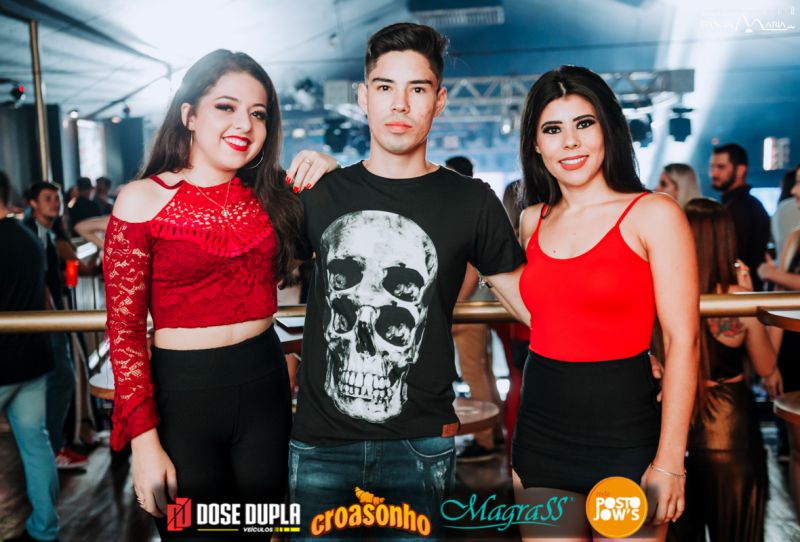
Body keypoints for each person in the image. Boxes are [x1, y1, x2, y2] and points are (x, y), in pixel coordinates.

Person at [291, 23, 527, 539]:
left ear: (438, 101)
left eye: (417, 89)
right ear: (363, 97)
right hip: (320, 446)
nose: (399, 104)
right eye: (385, 87)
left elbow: (532, 305)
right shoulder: (320, 193)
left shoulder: (471, 201)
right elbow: (241, 271)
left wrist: (624, 351)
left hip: (421, 445)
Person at [102, 49, 336, 538]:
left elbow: (348, 235)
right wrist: (144, 445)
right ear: (189, 115)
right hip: (182, 403)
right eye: (226, 107)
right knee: (190, 532)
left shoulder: (275, 197)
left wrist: (332, 174)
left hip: (266, 389)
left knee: (263, 531)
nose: (245, 124)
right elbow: (124, 333)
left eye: (258, 114)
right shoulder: (140, 199)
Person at [512, 65, 699, 540]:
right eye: (552, 129)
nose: (570, 142)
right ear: (536, 145)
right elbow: (552, 313)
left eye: (584, 123)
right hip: (541, 437)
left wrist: (670, 460)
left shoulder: (653, 214)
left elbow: (683, 341)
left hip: (626, 441)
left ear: (608, 129)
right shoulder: (532, 220)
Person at [669, 198, 775, 542]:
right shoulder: (736, 297)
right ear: (726, 239)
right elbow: (766, 366)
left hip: (676, 427)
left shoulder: (665, 291)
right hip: (732, 429)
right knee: (737, 532)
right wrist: (751, 297)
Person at [0, 172, 60, 542]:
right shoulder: (27, 237)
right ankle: (45, 529)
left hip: (3, 363)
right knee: (37, 446)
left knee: (36, 445)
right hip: (33, 360)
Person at [24, 181, 92, 470]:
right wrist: (51, 316)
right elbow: (38, 279)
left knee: (62, 379)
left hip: (53, 316)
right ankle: (54, 448)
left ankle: (62, 442)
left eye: (57, 198)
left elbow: (65, 268)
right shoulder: (32, 233)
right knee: (61, 379)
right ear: (33, 203)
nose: (55, 202)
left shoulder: (50, 232)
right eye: (48, 198)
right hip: (45, 319)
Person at [444, 155, 505, 462]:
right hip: (475, 306)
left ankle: (485, 441)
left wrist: (455, 307)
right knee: (482, 371)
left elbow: (470, 267)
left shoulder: (465, 207)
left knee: (474, 372)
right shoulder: (473, 205)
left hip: (467, 309)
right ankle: (494, 434)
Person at [757, 171, 800, 518]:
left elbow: (777, 280)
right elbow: (781, 302)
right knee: (798, 450)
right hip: (793, 352)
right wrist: (770, 364)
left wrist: (770, 273)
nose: (795, 191)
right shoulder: (795, 238)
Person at [710, 143, 770, 290]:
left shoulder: (744, 208)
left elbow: (734, 255)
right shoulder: (736, 205)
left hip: (741, 291)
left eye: (721, 167)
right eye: (712, 167)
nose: (714, 173)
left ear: (741, 170)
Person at [771, 166, 800, 265]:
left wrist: (769, 272)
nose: (793, 190)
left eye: (799, 182)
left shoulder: (782, 207)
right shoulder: (795, 234)